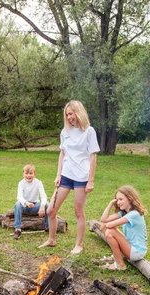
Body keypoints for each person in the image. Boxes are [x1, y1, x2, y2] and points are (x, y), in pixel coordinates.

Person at [39, 100, 100, 254]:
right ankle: (51, 240)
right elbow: (62, 153)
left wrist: (90, 181)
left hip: (81, 177)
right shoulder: (65, 132)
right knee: (51, 210)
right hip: (66, 175)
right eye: (67, 115)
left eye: (71, 114)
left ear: (78, 112)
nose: (69, 117)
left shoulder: (89, 131)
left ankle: (78, 245)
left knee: (78, 212)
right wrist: (58, 174)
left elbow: (93, 156)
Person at [99, 185, 148, 270]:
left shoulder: (134, 214)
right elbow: (104, 220)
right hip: (130, 247)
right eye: (117, 200)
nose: (118, 202)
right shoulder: (124, 212)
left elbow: (109, 225)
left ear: (130, 198)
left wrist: (109, 226)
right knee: (103, 226)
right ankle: (116, 256)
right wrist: (110, 203)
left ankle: (120, 265)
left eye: (121, 199)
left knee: (109, 231)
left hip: (136, 252)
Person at [12, 164, 49, 239]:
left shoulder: (38, 182)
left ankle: (47, 226)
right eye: (26, 173)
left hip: (35, 206)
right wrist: (26, 203)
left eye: (30, 173)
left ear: (34, 174)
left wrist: (42, 207)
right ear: (23, 174)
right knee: (17, 204)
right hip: (25, 205)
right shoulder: (21, 183)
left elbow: (43, 196)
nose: (28, 175)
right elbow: (19, 197)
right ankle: (18, 228)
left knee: (47, 204)